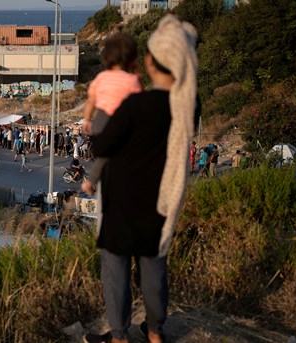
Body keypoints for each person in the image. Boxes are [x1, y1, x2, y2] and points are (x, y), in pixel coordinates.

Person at [84, 15, 199, 343]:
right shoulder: (188, 105)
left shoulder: (137, 104)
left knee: (116, 272)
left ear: (150, 61)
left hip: (122, 200)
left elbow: (102, 144)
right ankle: (154, 331)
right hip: (160, 198)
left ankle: (119, 335)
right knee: (153, 272)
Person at [81, 32, 142, 195]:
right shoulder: (132, 81)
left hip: (100, 120)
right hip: (119, 121)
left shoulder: (101, 77)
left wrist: (87, 120)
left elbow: (91, 101)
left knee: (105, 155)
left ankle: (90, 182)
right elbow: (137, 105)